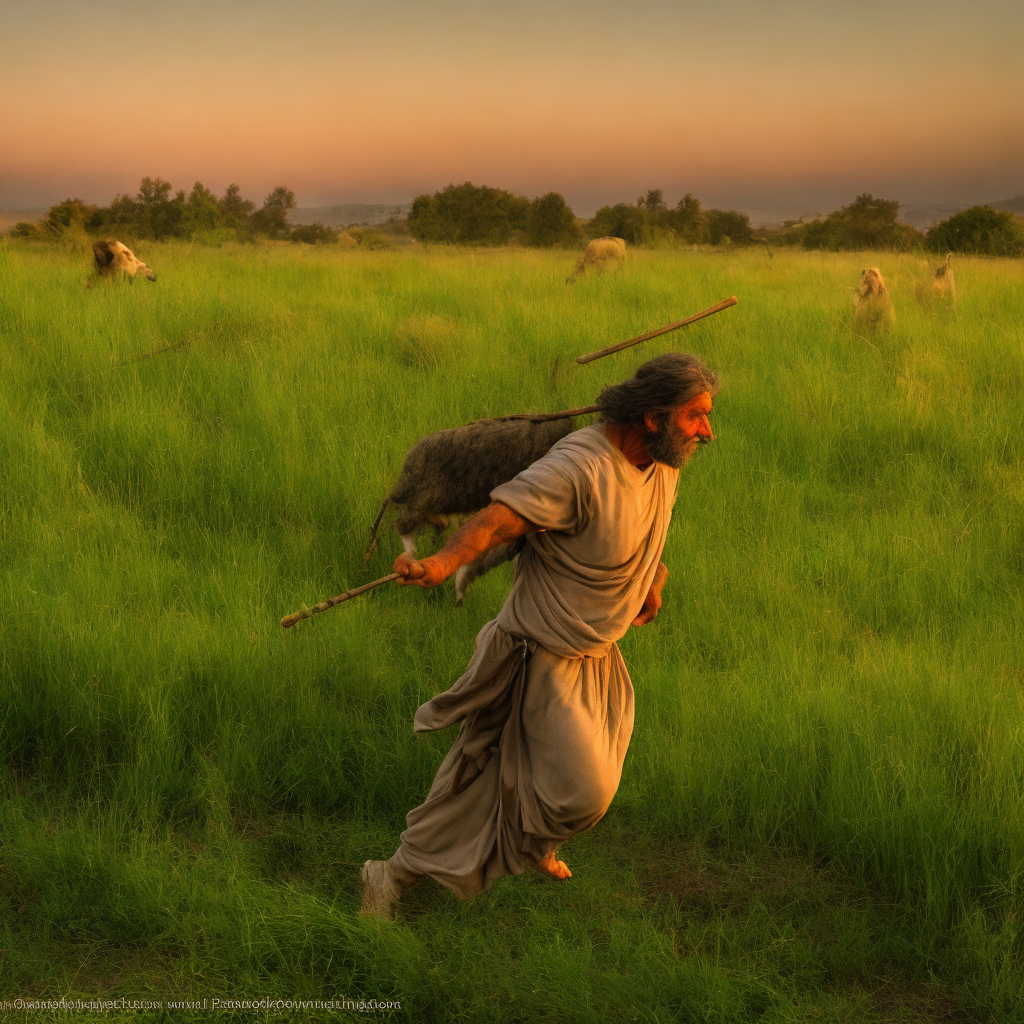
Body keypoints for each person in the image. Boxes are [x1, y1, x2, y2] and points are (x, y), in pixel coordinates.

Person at [361, 352, 718, 916]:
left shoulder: (662, 463)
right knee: (571, 788)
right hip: (540, 654)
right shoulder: (578, 468)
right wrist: (440, 562)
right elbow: (496, 520)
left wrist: (652, 578)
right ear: (654, 417)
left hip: (599, 654)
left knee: (557, 781)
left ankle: (533, 841)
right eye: (696, 416)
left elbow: (645, 531)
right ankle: (390, 876)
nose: (708, 432)